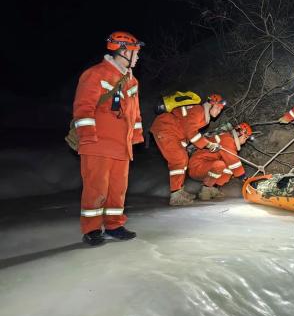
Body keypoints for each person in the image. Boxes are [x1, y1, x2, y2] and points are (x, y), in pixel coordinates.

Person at [72, 31, 145, 246]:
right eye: (136, 53)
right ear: (123, 51)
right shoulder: (95, 74)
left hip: (122, 147)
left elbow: (136, 114)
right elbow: (83, 108)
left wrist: (136, 137)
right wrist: (87, 137)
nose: (138, 57)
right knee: (96, 188)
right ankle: (92, 229)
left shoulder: (132, 81)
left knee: (117, 189)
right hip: (97, 144)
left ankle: (114, 225)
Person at [150, 93, 225, 206]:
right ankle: (175, 195)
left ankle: (179, 191)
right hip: (165, 128)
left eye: (220, 110)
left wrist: (190, 144)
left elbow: (185, 127)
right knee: (178, 159)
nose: (218, 111)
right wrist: (208, 145)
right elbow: (190, 131)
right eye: (218, 108)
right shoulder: (198, 110)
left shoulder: (202, 116)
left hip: (172, 132)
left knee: (183, 159)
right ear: (211, 104)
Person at [188, 122, 253, 200]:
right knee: (220, 165)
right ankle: (205, 190)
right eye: (245, 137)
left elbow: (231, 163)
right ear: (239, 134)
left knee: (228, 169)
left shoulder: (229, 140)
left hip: (206, 165)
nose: (245, 141)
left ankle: (213, 188)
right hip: (197, 166)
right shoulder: (227, 139)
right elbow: (233, 161)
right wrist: (244, 178)